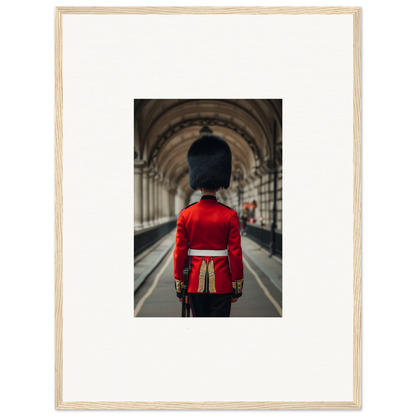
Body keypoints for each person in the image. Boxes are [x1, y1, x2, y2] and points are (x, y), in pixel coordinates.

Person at [173, 134, 244, 317]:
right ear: (220, 185)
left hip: (194, 283)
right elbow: (235, 254)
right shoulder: (230, 215)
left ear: (197, 185)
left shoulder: (185, 215)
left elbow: (179, 253)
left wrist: (180, 284)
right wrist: (236, 285)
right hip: (222, 283)